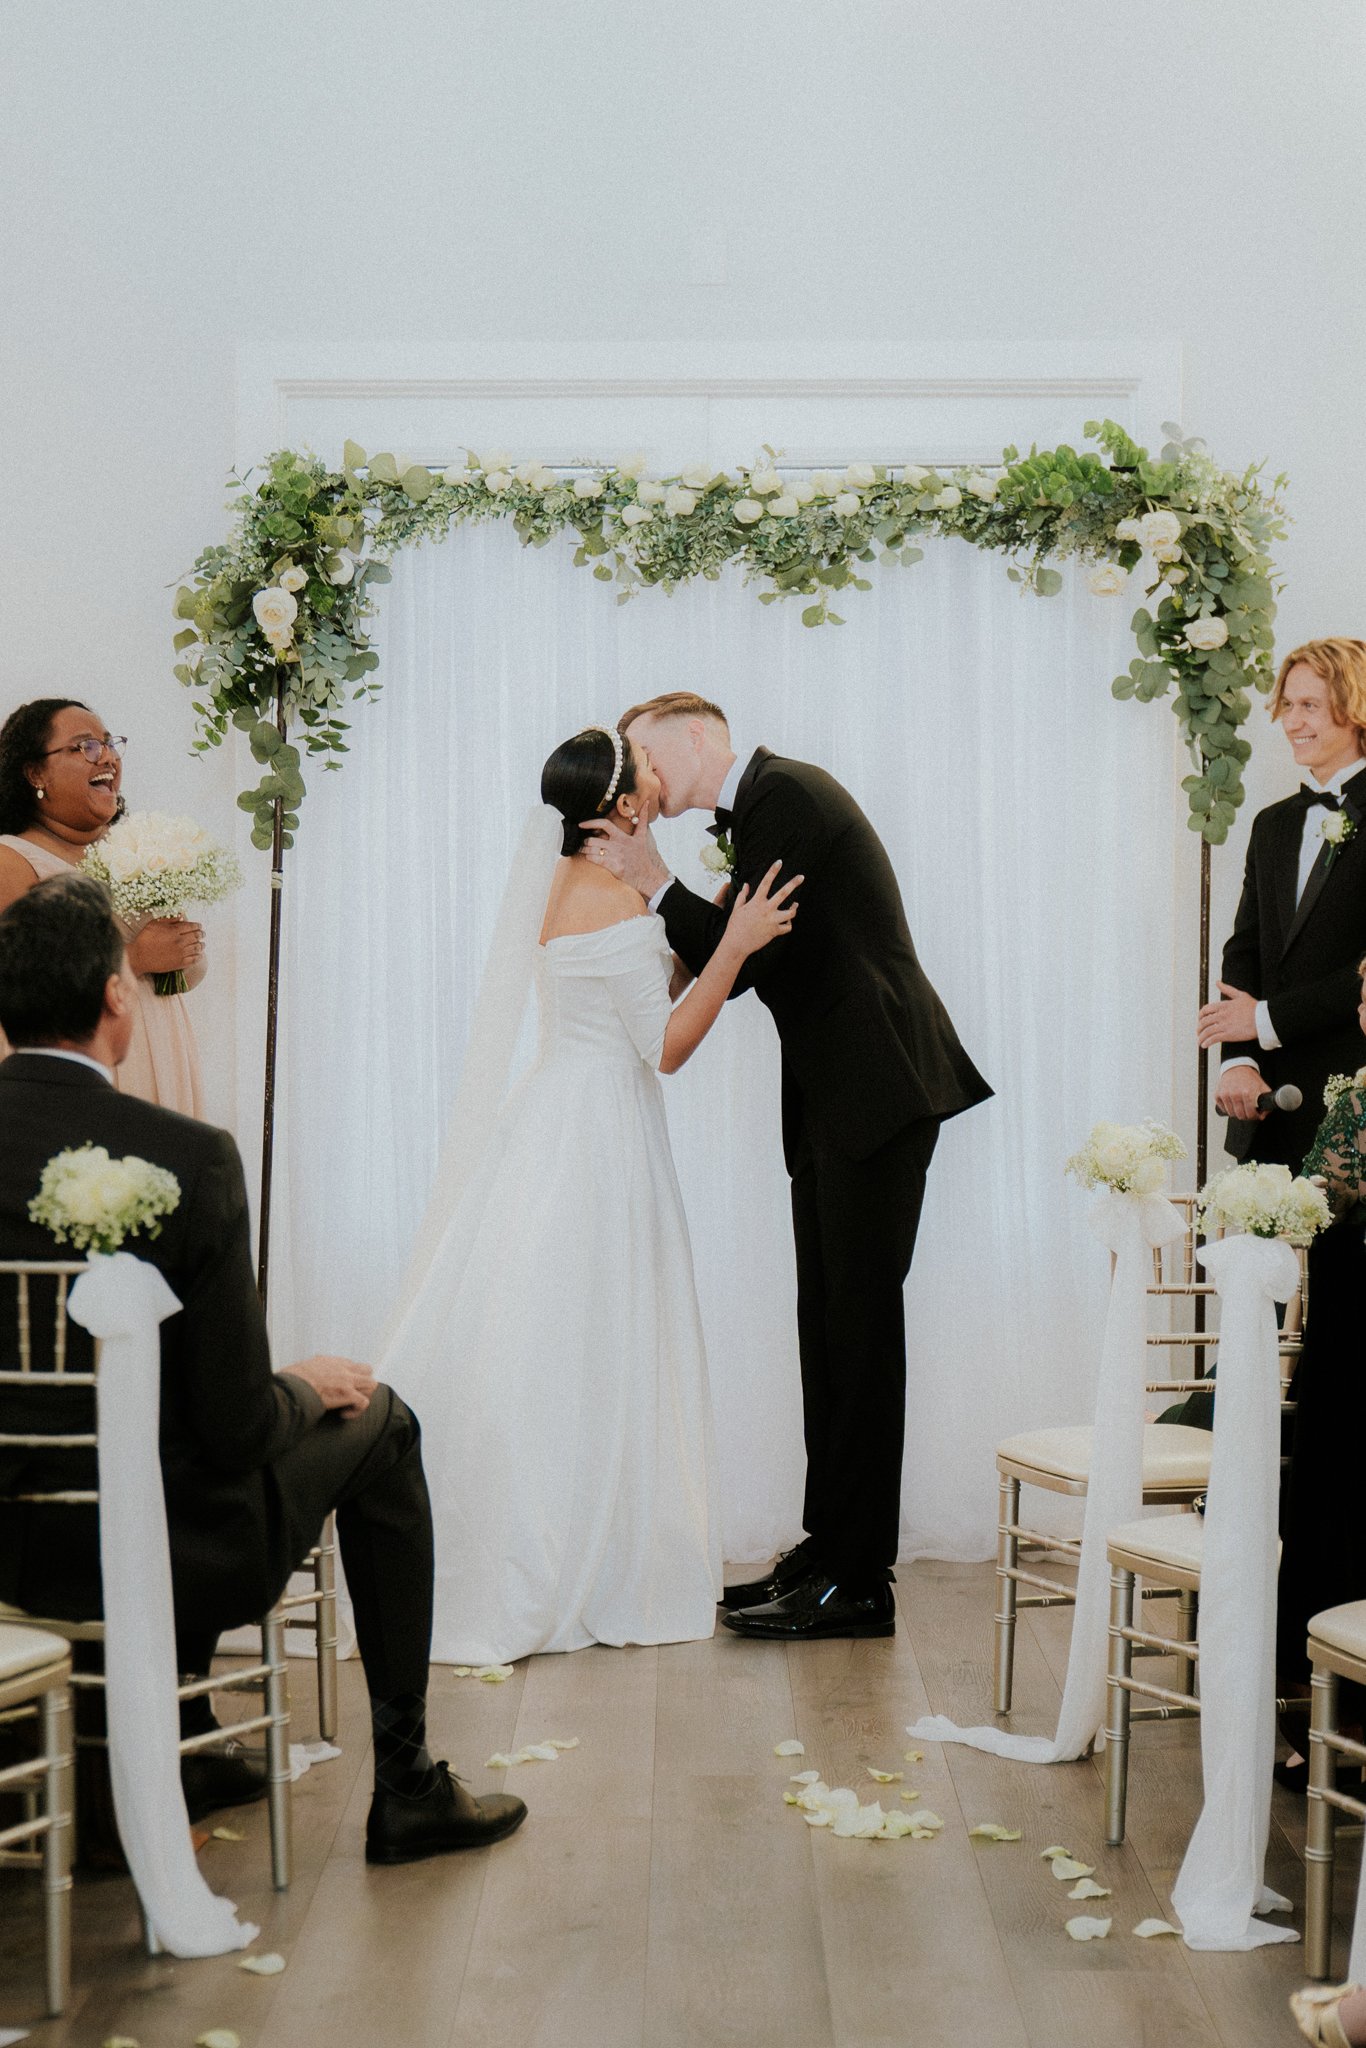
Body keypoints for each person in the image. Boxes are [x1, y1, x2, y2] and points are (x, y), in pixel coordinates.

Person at [0, 873, 526, 1863]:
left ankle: (184, 1745)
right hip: (164, 1551)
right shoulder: (183, 1155)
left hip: (7, 1553)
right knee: (385, 1418)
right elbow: (237, 1425)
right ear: (119, 997)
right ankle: (407, 1783)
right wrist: (300, 1386)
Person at [379, 725, 799, 1665]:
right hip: (599, 1131)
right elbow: (667, 1048)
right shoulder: (607, 899)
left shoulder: (580, 885)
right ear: (621, 806)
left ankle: (582, 1531)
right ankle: (576, 1553)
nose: (659, 778)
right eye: (646, 770)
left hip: (569, 1111)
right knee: (591, 1332)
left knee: (567, 1333)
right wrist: (731, 948)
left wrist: (705, 939)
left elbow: (648, 998)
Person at [584, 694, 992, 1642]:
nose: (640, 778)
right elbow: (742, 947)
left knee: (858, 1335)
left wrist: (650, 879)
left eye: (645, 754)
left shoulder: (786, 799)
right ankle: (826, 1552)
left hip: (878, 1094)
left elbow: (749, 962)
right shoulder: (765, 806)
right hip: (839, 1102)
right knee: (829, 1331)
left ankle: (858, 1581)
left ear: (697, 736)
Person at [1198, 639, 1366, 1172]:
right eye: (1288, 705)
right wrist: (1239, 1061)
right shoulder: (1271, 824)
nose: (1292, 721)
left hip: (1353, 1108)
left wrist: (1264, 1019)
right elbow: (1244, 948)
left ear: (1356, 708)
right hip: (1267, 1108)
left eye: (1310, 705)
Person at [0, 698, 208, 1116]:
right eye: (86, 746)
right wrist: (134, 958)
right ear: (35, 772)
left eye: (110, 743)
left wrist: (184, 952)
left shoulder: (132, 854)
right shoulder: (11, 858)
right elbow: (22, 986)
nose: (108, 756)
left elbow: (183, 975)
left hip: (162, 1055)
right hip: (80, 1077)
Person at [1274, 956, 1366, 1745]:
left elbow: (1317, 1205)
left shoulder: (1359, 1100)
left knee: (1339, 1497)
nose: (1364, 1007)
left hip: (1352, 1346)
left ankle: (1335, 1712)